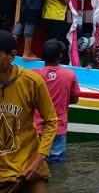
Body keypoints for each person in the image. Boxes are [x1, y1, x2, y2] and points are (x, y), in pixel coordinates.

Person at [0, 30, 57, 192]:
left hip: (29, 166)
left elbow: (51, 121)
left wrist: (40, 158)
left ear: (11, 56)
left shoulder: (32, 82)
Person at [33, 40, 80, 165]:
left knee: (34, 165)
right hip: (57, 129)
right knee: (57, 168)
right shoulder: (69, 75)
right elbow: (75, 99)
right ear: (60, 56)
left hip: (36, 129)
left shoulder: (33, 74)